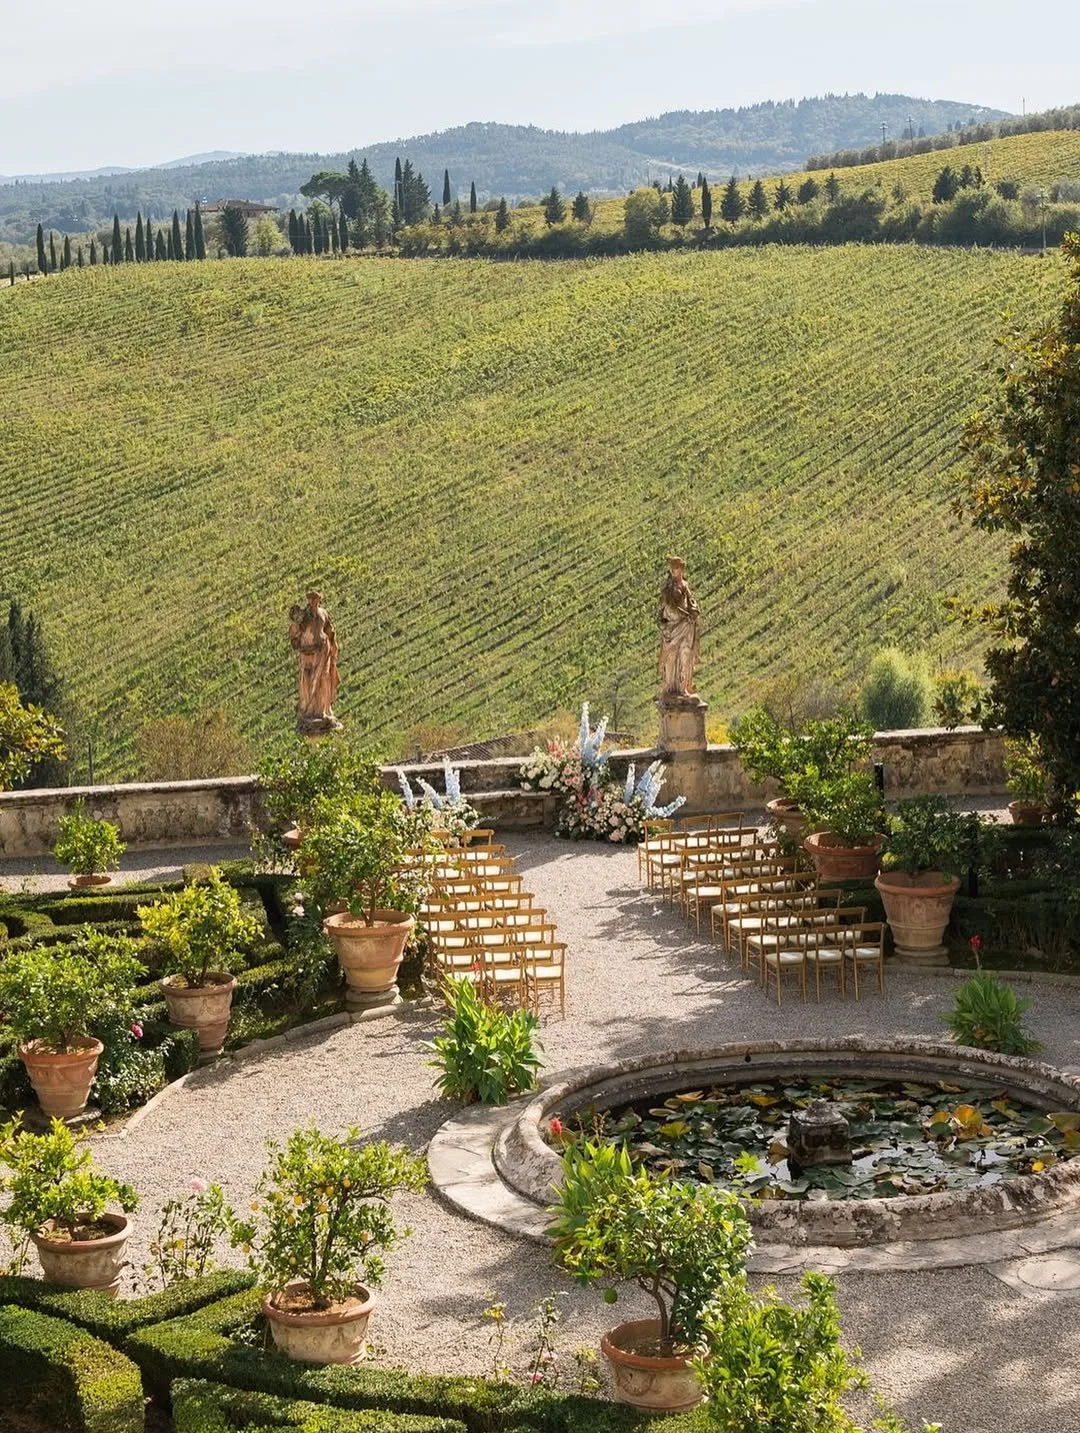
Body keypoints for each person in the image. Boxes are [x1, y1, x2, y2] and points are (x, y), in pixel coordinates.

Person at [290, 590, 341, 732]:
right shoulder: (303, 616)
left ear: (318, 601)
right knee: (307, 679)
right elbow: (296, 635)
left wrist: (334, 645)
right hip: (308, 655)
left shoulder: (323, 613)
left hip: (323, 653)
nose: (313, 602)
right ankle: (310, 709)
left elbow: (330, 630)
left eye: (315, 600)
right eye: (311, 599)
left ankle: (323, 709)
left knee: (324, 678)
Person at [658, 556, 701, 699]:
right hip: (674, 626)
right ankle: (670, 686)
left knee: (685, 655)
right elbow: (669, 607)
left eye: (675, 568)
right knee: (671, 657)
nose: (673, 571)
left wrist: (694, 609)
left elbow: (690, 600)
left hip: (686, 625)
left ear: (681, 569)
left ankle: (683, 687)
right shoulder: (668, 588)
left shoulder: (684, 585)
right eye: (671, 569)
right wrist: (685, 615)